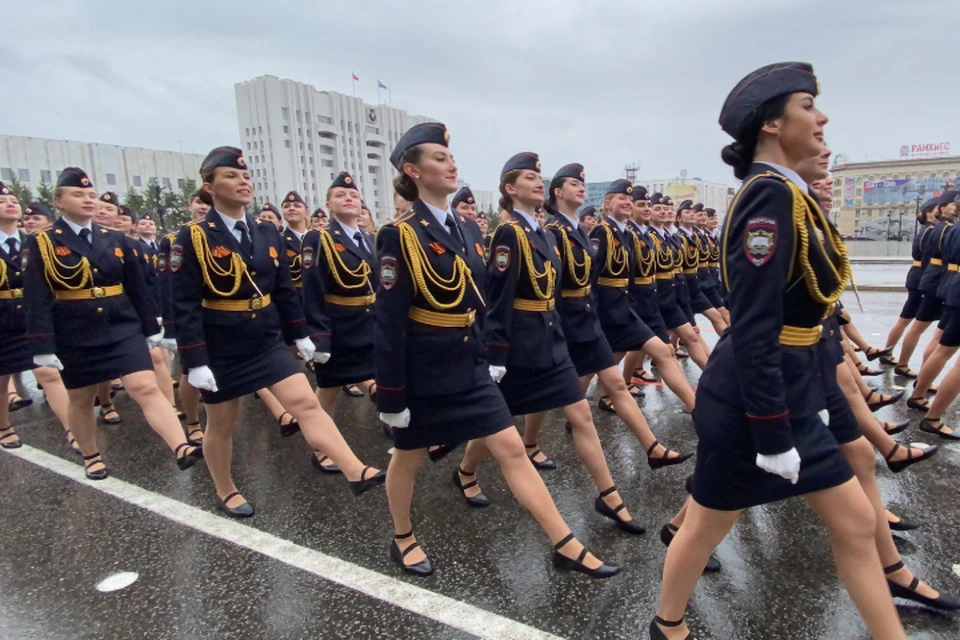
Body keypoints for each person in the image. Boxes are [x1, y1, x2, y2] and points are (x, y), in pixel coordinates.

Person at [650, 63, 904, 640]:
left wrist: (814, 396)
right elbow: (759, 328)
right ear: (771, 123)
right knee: (706, 525)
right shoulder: (768, 201)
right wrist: (770, 431)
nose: (822, 118)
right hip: (751, 405)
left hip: (790, 390)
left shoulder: (792, 196)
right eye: (808, 106)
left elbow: (807, 316)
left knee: (859, 524)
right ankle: (667, 626)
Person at [376, 124, 618, 578]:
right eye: (438, 158)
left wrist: (491, 356)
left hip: (469, 362)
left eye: (451, 156)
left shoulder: (468, 228)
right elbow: (389, 320)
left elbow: (481, 298)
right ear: (412, 170)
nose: (451, 164)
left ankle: (565, 544)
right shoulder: (399, 234)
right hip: (426, 370)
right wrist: (391, 395)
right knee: (407, 457)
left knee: (510, 446)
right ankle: (403, 537)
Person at [172, 147, 384, 517]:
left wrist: (299, 334)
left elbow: (284, 289)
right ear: (209, 186)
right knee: (221, 423)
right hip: (222, 343)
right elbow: (185, 301)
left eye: (246, 176)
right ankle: (225, 488)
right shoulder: (193, 236)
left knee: (303, 400)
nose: (243, 182)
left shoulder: (266, 231)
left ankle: (354, 469)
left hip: (265, 338)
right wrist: (194, 358)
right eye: (231, 176)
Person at [456, 152, 642, 535]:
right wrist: (497, 353)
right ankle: (465, 470)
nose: (538, 183)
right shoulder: (510, 233)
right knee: (495, 421)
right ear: (510, 189)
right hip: (520, 346)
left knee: (582, 415)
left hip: (550, 339)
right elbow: (498, 298)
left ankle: (609, 496)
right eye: (528, 178)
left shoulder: (542, 230)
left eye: (539, 177)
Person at [23, 167, 203, 480]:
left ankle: (181, 446)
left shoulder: (115, 239)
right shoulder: (43, 243)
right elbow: (37, 296)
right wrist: (42, 345)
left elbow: (137, 287)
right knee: (81, 398)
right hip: (75, 329)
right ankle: (91, 455)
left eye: (90, 194)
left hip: (121, 324)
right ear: (58, 201)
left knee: (144, 386)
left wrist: (151, 327)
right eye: (77, 194)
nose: (87, 200)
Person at [520, 163, 690, 473]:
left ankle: (653, 449)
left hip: (591, 318)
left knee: (614, 383)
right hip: (567, 321)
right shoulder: (556, 232)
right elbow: (554, 283)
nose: (580, 188)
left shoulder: (581, 231)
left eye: (581, 184)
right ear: (557, 192)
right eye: (573, 184)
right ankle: (525, 445)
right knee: (543, 392)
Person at [590, 182, 696, 412]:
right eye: (622, 198)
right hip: (609, 310)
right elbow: (592, 275)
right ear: (608, 204)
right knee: (597, 364)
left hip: (629, 306)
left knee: (662, 352)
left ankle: (697, 407)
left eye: (630, 200)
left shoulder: (626, 232)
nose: (627, 203)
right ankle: (575, 408)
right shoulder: (602, 231)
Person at [302, 172, 378, 473]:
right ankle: (321, 449)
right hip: (338, 327)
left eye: (354, 196)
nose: (349, 199)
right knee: (329, 390)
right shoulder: (318, 238)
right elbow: (312, 290)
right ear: (328, 204)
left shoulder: (370, 239)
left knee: (381, 378)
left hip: (369, 324)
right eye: (340, 195)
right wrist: (318, 337)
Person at [0, 182, 78, 453]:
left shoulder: (33, 241)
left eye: (12, 199)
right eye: (1, 201)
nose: (10, 203)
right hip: (2, 318)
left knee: (49, 373)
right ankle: (3, 426)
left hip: (31, 316)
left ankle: (73, 429)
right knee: (1, 378)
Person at [158, 190, 210, 443]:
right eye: (199, 201)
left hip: (224, 315)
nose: (203, 206)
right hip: (192, 315)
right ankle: (192, 421)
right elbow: (170, 287)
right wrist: (170, 327)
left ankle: (220, 420)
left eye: (207, 202)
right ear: (189, 205)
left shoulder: (229, 234)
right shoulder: (175, 239)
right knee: (191, 371)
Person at [646, 193, 710, 369]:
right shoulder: (648, 236)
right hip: (658, 297)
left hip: (674, 296)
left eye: (668, 209)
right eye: (658, 209)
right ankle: (618, 382)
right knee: (640, 346)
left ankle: (716, 375)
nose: (665, 212)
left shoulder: (669, 236)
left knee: (690, 336)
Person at [880, 198, 938, 360]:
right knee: (910, 322)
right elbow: (928, 259)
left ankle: (887, 352)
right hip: (921, 278)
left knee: (905, 320)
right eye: (937, 209)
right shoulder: (931, 231)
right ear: (929, 212)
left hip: (916, 276)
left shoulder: (927, 229)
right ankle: (893, 356)